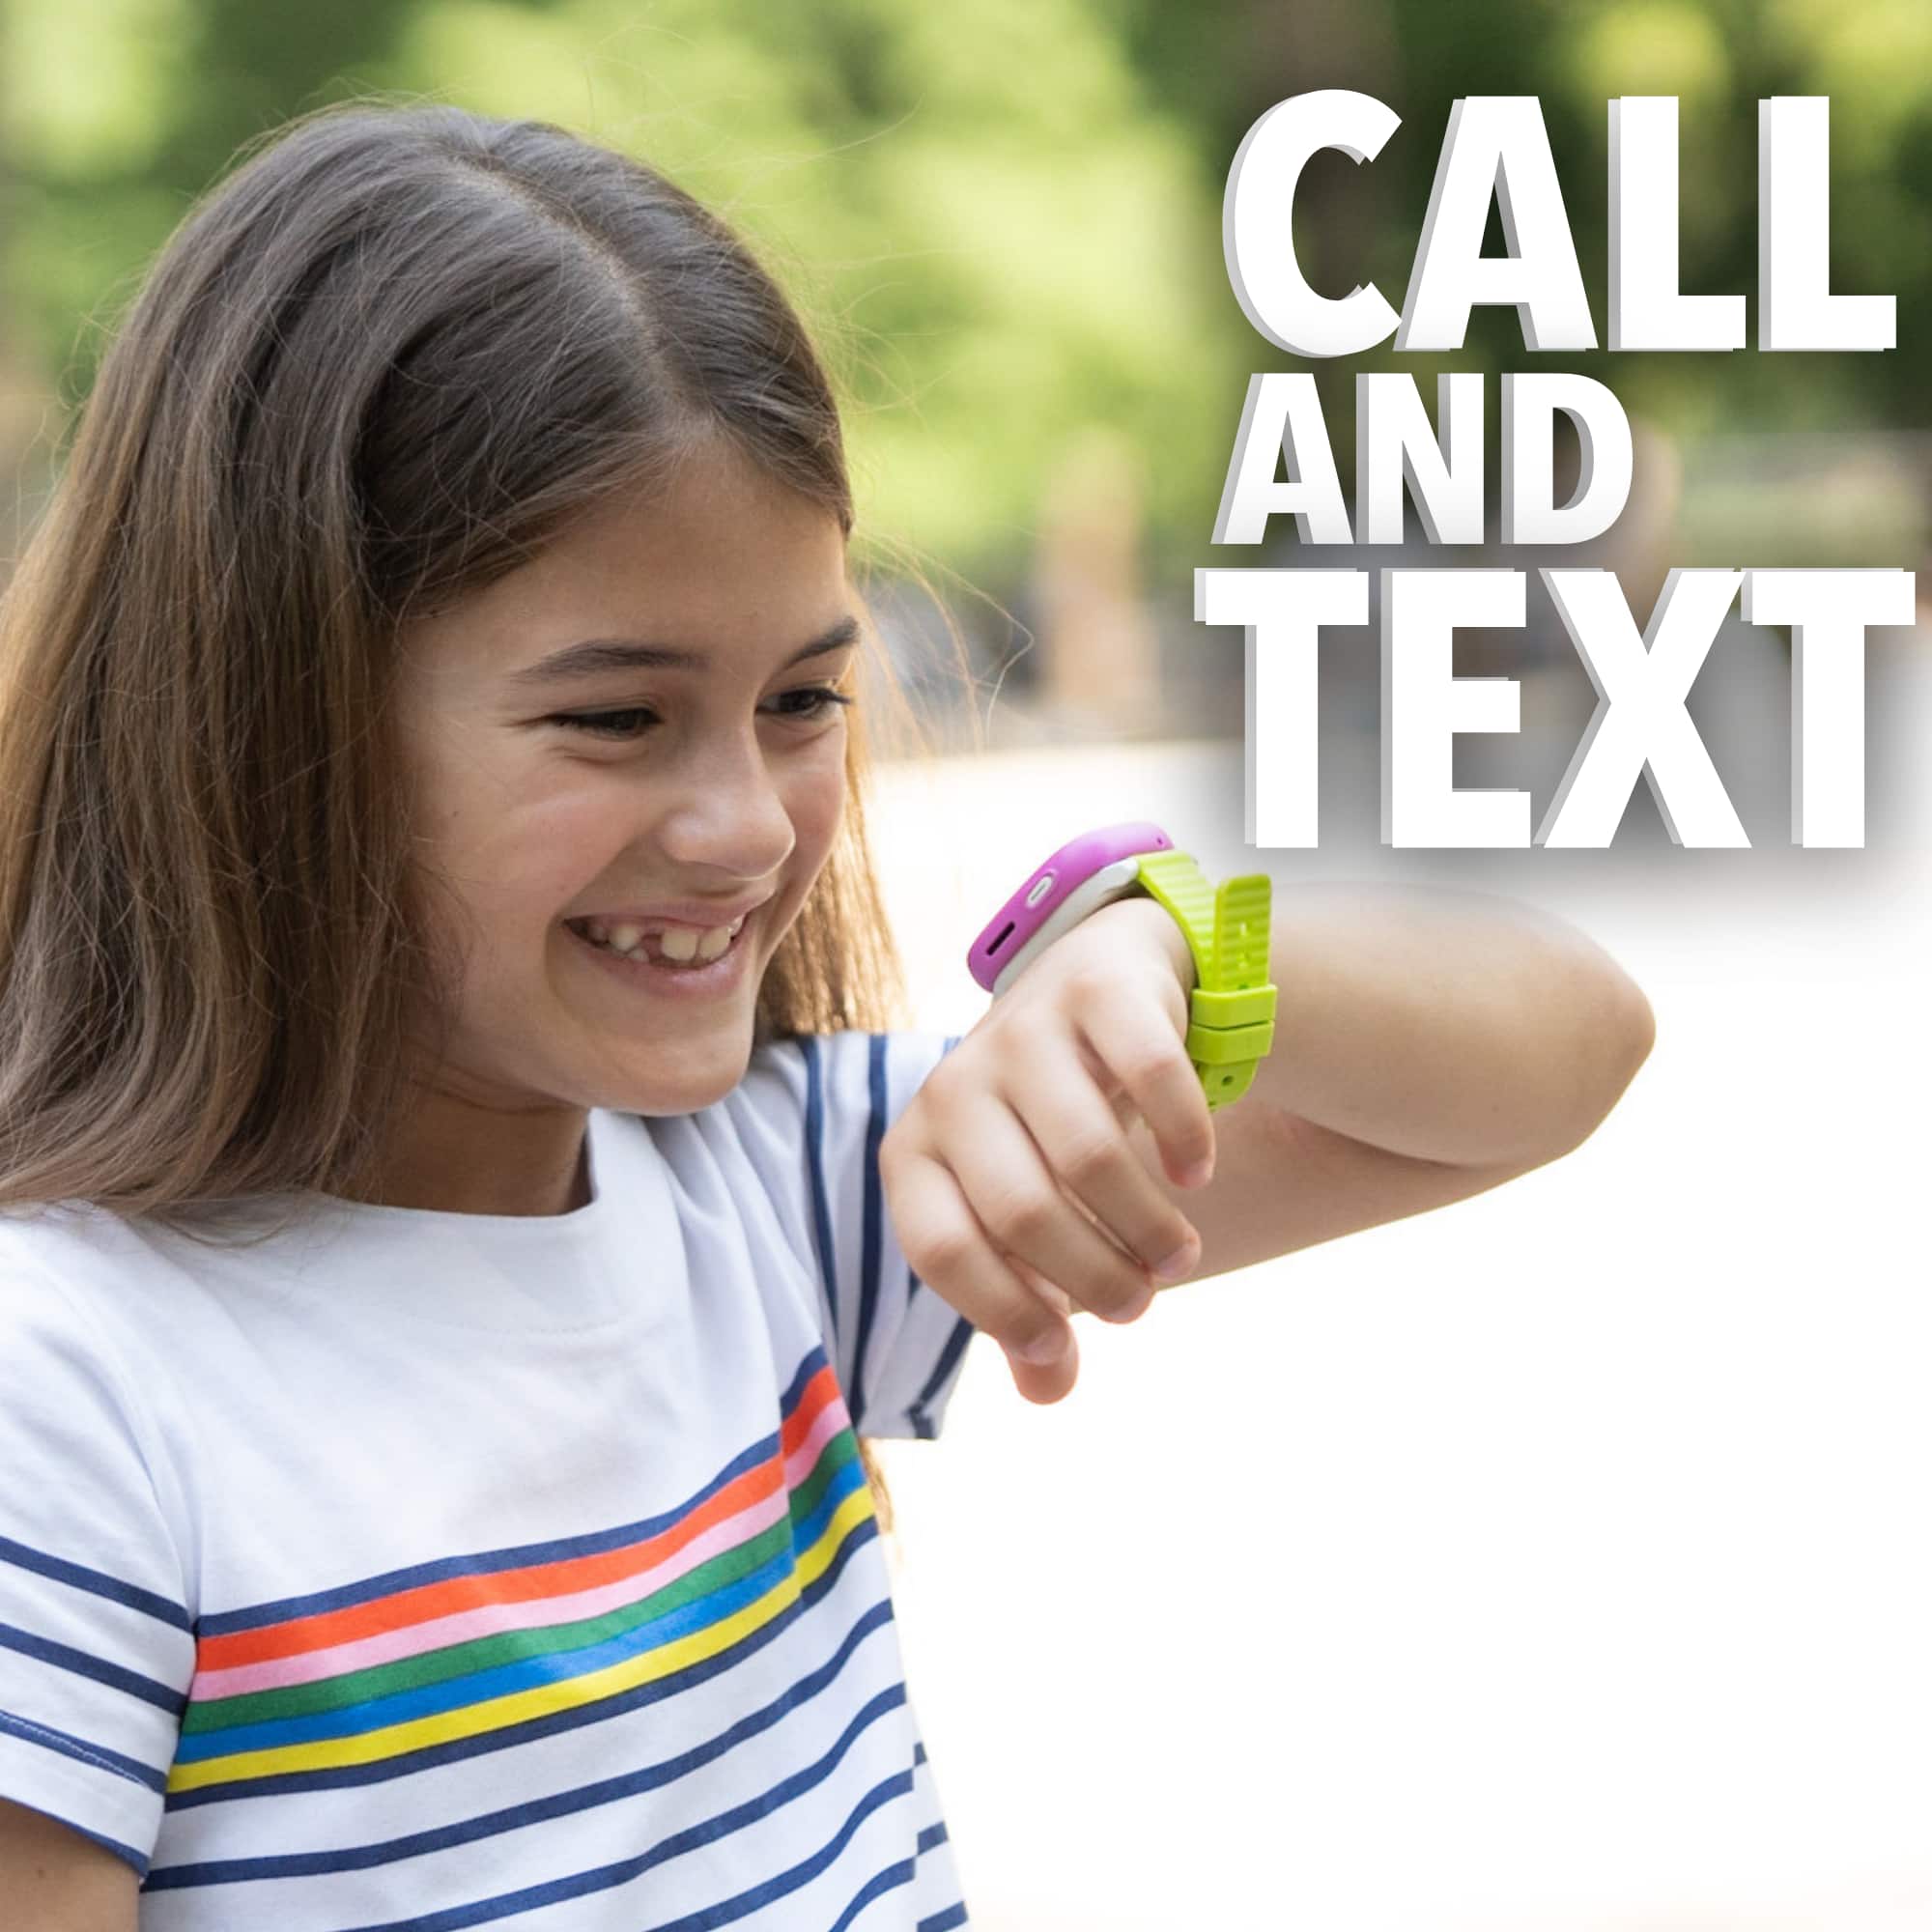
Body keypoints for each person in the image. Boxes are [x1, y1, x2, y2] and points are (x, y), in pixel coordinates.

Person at [0, 101, 1654, 1930]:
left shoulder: (774, 1187)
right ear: (265, 719)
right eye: (617, 718)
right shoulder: (67, 1387)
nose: (749, 825)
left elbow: (1564, 1047)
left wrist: (1158, 937)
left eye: (800, 698)